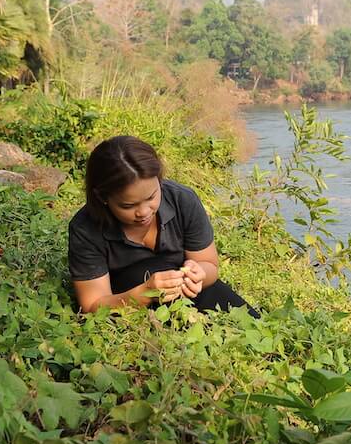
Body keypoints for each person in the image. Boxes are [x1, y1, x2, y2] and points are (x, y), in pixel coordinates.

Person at [68, 135, 257, 317]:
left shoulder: (182, 199)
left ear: (159, 180)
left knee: (250, 323)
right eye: (128, 205)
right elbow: (93, 305)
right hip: (128, 299)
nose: (143, 212)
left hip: (187, 292)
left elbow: (209, 265)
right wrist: (146, 292)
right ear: (102, 197)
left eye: (151, 197)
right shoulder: (85, 228)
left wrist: (199, 275)